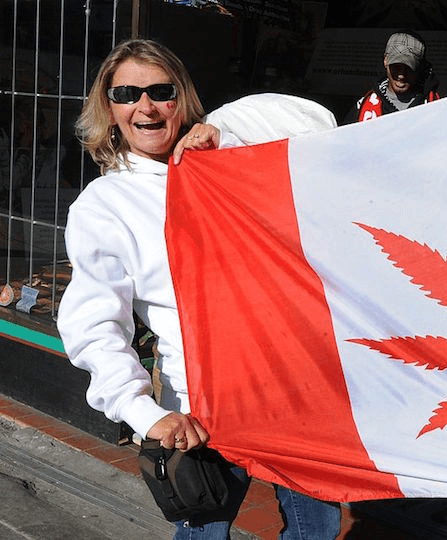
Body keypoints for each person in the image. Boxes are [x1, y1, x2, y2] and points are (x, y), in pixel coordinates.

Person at [56, 38, 342, 540]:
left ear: (180, 99)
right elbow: (93, 322)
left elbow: (320, 122)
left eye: (160, 90)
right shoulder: (105, 204)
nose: (144, 106)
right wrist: (144, 413)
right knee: (205, 534)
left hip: (293, 392)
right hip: (205, 412)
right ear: (109, 107)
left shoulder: (227, 156)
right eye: (126, 93)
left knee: (316, 531)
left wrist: (224, 133)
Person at [346, 30, 440, 123]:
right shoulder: (362, 107)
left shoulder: (435, 105)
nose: (401, 75)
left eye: (409, 67)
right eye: (396, 66)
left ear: (419, 67)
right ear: (385, 61)